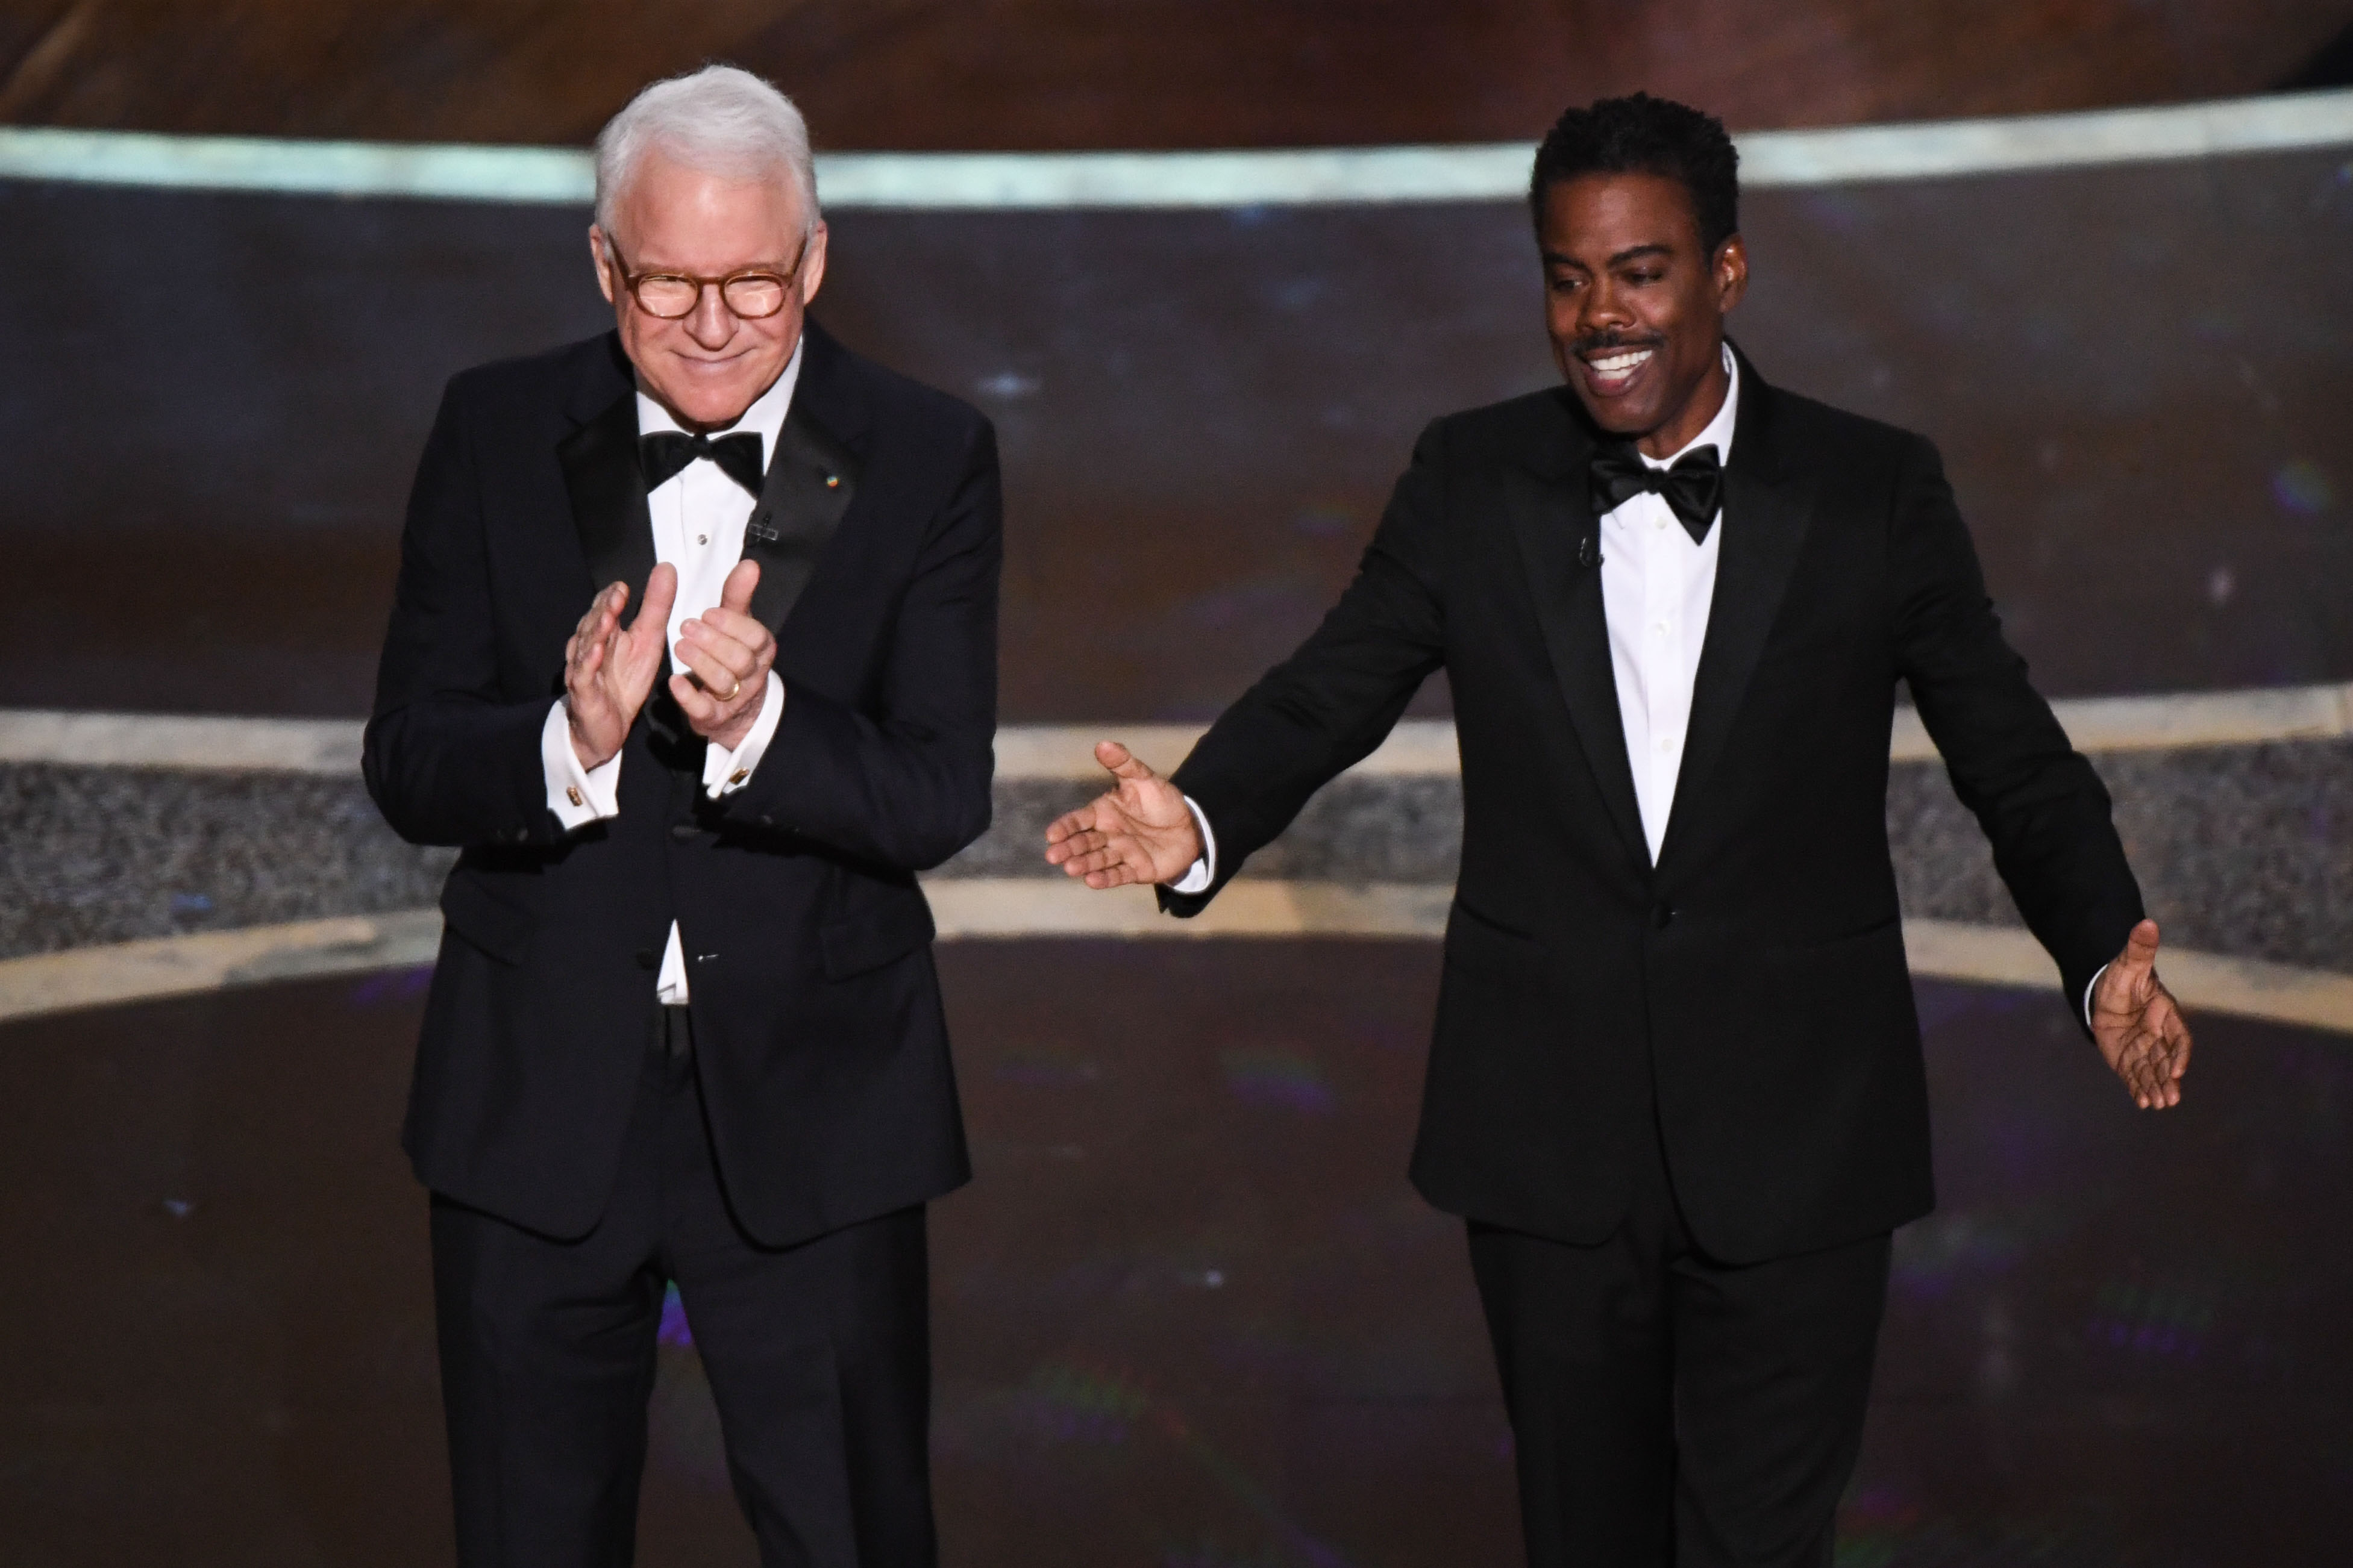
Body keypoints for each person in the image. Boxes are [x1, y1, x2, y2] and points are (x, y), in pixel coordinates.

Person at [1044, 93, 2192, 1567]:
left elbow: (2012, 756)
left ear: (1726, 270)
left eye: (1640, 272)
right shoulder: (1471, 478)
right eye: (1568, 276)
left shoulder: (1872, 490)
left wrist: (2104, 955)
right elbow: (1334, 685)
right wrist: (1200, 814)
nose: (1600, 316)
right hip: (1547, 1142)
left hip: (1798, 1137)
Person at [364, 64, 999, 1567]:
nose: (714, 322)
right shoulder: (493, 428)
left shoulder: (928, 451)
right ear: (602, 263)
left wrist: (762, 727)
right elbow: (407, 756)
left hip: (817, 1114)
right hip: (537, 1116)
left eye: (753, 283)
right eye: (667, 284)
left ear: (817, 260)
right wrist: (567, 741)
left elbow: (934, 792)